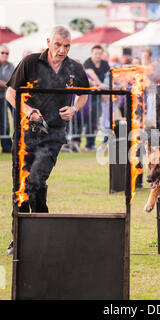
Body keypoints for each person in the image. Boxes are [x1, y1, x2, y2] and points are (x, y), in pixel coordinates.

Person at [5, 25, 89, 254]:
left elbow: (84, 94)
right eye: (58, 45)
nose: (62, 50)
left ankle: (39, 230)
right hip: (26, 132)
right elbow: (11, 93)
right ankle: (21, 235)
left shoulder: (75, 67)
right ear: (48, 42)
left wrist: (74, 109)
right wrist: (28, 110)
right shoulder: (31, 62)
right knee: (23, 183)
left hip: (53, 134)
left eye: (67, 46)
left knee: (35, 179)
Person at [83, 45, 110, 151]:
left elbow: (110, 76)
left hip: (100, 95)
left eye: (100, 53)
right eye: (96, 53)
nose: (98, 56)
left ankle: (95, 143)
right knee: (90, 119)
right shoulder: (87, 63)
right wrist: (101, 86)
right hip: (89, 96)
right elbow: (93, 76)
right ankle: (89, 144)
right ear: (92, 54)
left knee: (97, 119)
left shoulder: (104, 64)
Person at [0, 44, 14, 153]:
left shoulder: (11, 66)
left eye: (7, 53)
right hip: (1, 98)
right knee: (3, 121)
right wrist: (6, 84)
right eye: (2, 53)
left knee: (15, 118)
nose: (5, 55)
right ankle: (6, 146)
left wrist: (6, 84)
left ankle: (13, 144)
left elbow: (14, 80)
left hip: (10, 96)